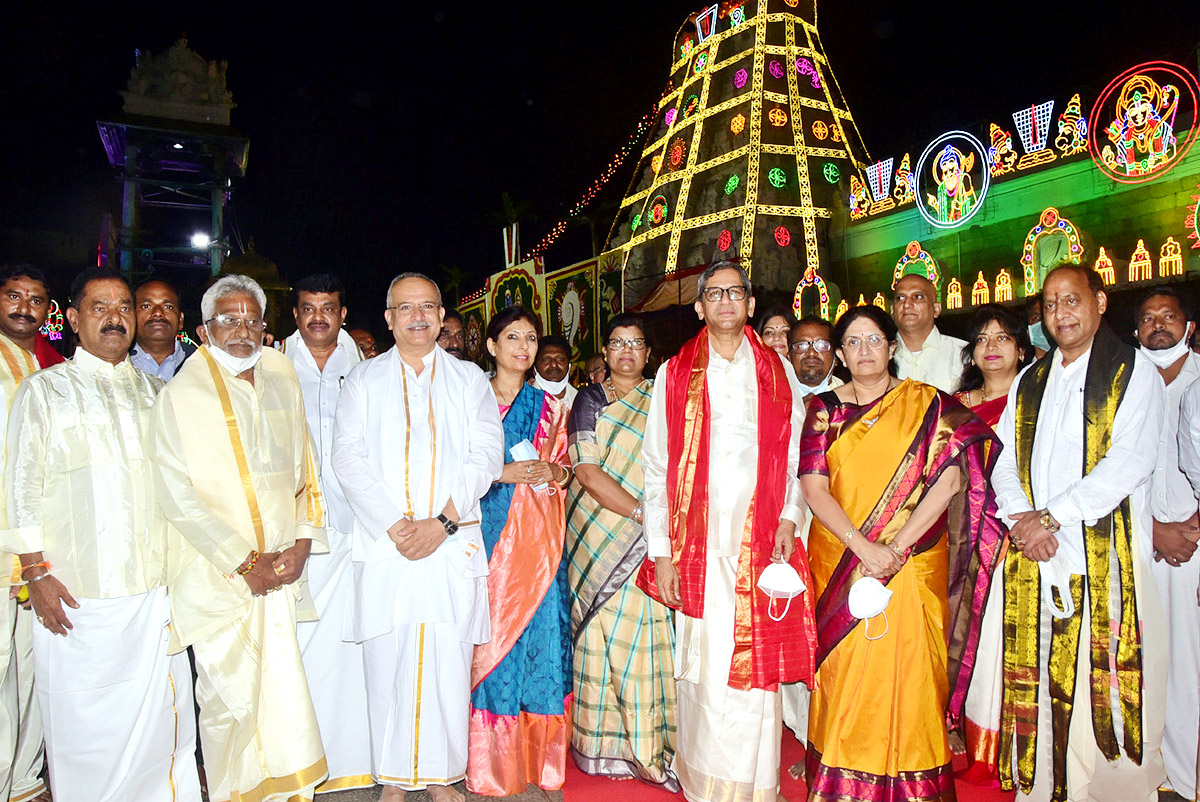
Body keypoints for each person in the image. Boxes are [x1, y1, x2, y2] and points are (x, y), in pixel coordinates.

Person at [3, 267, 201, 802]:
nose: (115, 318)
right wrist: (36, 572)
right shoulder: (45, 391)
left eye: (123, 308)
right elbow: (20, 487)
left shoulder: (160, 393)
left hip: (155, 586)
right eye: (99, 307)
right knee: (82, 722)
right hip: (75, 589)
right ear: (72, 319)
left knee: (162, 722)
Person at [800, 304, 1003, 801]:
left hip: (911, 560)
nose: (864, 350)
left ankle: (915, 785)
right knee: (847, 672)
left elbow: (952, 478)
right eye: (853, 342)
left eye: (874, 340)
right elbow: (813, 486)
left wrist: (898, 543)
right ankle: (841, 785)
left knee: (912, 671)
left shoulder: (930, 404)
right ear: (841, 355)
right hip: (842, 558)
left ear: (892, 348)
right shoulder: (823, 410)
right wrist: (864, 546)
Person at [637, 261, 817, 802]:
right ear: (699, 307)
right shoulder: (674, 372)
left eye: (734, 293)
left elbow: (793, 455)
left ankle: (755, 786)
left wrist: (790, 516)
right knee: (707, 666)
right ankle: (706, 782)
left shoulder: (777, 372)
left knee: (752, 667)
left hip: (759, 541)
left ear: (750, 304)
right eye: (713, 294)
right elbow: (656, 467)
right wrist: (662, 552)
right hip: (695, 547)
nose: (724, 302)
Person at [991, 265, 1167, 802]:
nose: (1060, 313)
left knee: (1108, 674)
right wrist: (1024, 522)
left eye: (1071, 300)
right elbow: (1003, 460)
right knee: (1039, 676)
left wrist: (1048, 518)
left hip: (1106, 552)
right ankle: (1043, 784)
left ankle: (1113, 790)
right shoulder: (1031, 379)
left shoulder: (1133, 372)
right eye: (1049, 305)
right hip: (1036, 551)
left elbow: (1127, 463)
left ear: (1101, 301)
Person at [152, 274, 329, 802]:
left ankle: (288, 791)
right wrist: (240, 560)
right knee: (230, 698)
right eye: (229, 319)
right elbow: (174, 493)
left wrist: (302, 543)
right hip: (218, 575)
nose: (242, 329)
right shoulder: (181, 392)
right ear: (205, 329)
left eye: (252, 319)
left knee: (281, 691)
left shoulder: (280, 373)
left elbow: (305, 468)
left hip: (280, 568)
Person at [331, 272, 502, 802]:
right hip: (387, 545)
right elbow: (347, 458)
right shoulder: (363, 380)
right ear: (388, 318)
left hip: (449, 543)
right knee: (388, 660)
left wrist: (442, 524)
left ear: (442, 314)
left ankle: (440, 777)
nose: (419, 317)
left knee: (446, 662)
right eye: (406, 308)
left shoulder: (468, 378)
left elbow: (485, 456)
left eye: (428, 306)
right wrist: (395, 525)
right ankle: (394, 779)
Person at [565, 313, 677, 790]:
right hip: (599, 532)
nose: (627, 351)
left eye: (636, 344)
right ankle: (604, 747)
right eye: (617, 343)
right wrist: (642, 516)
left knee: (648, 636)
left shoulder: (665, 396)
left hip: (653, 537)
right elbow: (587, 472)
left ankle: (651, 746)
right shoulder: (589, 399)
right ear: (605, 353)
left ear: (649, 353)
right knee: (599, 635)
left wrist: (659, 523)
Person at [467, 307, 572, 795]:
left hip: (537, 546)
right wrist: (499, 474)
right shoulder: (468, 401)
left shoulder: (550, 406)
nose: (524, 347)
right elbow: (447, 464)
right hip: (478, 536)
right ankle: (486, 763)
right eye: (512, 337)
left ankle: (535, 762)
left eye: (530, 338)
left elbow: (566, 467)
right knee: (485, 639)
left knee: (538, 640)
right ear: (491, 345)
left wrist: (553, 474)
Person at [280, 273, 372, 793]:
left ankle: (348, 758)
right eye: (308, 308)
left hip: (351, 526)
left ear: (342, 313)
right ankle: (298, 760)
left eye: (328, 308)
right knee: (293, 645)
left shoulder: (360, 367)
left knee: (346, 644)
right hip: (291, 531)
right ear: (294, 315)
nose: (319, 317)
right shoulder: (271, 363)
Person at [952, 304, 1032, 785]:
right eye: (982, 339)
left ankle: (1018, 736)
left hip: (1022, 533)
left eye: (1003, 338)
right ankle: (966, 727)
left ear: (1022, 349)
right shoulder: (956, 404)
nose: (992, 347)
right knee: (966, 633)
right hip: (963, 531)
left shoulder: (1039, 399)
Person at [1136, 288, 1200, 801]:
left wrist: (1192, 525)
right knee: (1146, 658)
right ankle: (1150, 770)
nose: (1158, 325)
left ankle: (1187, 776)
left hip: (1196, 542)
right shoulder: (1125, 385)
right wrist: (1154, 529)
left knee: (1191, 660)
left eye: (1169, 317)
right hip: (1140, 540)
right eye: (1148, 319)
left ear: (1190, 326)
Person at [0, 264, 60, 802]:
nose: (24, 307)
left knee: (29, 670)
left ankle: (22, 778)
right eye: (14, 296)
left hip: (41, 550)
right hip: (2, 548)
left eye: (36, 300)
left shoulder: (52, 366)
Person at [891, 272, 967, 393]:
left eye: (918, 297)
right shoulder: (879, 357)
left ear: (936, 309)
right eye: (900, 298)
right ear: (892, 310)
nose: (907, 304)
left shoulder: (963, 354)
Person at [131, 278, 195, 380]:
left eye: (168, 307)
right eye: (146, 306)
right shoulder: (116, 363)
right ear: (131, 317)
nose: (158, 313)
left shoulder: (202, 364)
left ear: (180, 320)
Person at [789, 315, 842, 396]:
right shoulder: (772, 397)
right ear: (789, 357)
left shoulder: (853, 401)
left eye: (822, 345)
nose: (811, 353)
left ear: (836, 358)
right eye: (801, 345)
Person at [531, 334, 578, 409]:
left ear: (570, 367)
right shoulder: (523, 401)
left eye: (560, 359)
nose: (553, 364)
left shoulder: (581, 400)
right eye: (546, 359)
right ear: (534, 368)